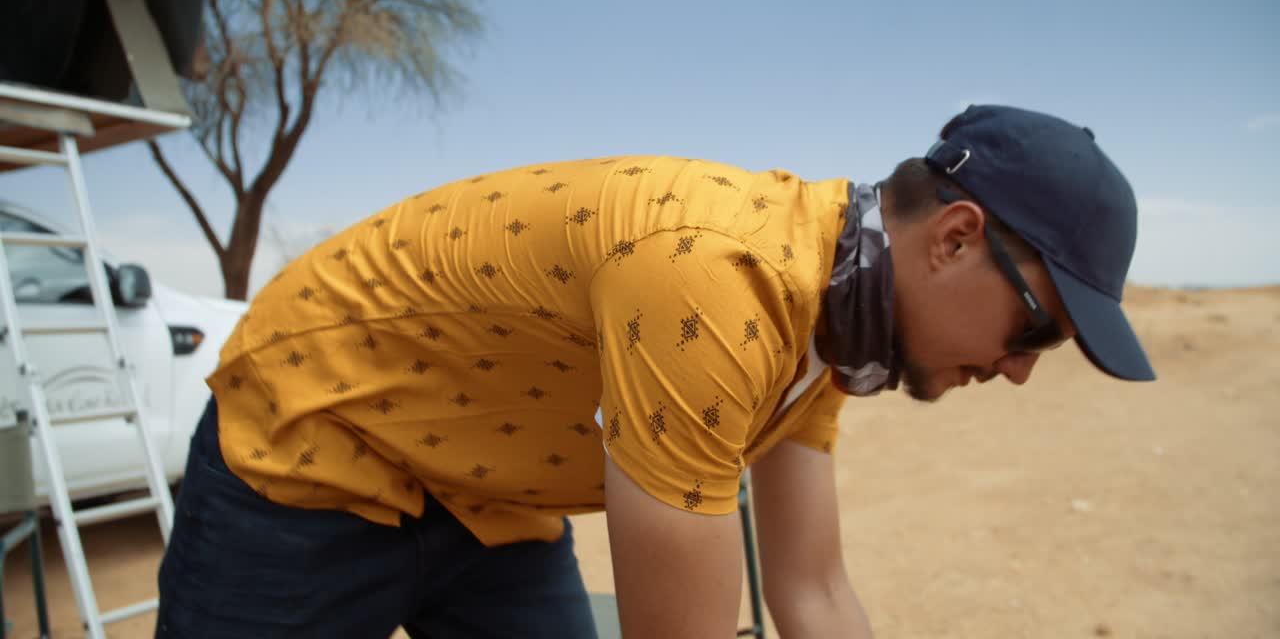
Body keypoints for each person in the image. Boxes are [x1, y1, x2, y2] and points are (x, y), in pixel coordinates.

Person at [155, 105, 1155, 638]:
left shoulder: (829, 332)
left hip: (482, 495)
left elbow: (809, 593)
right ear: (952, 237)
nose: (1021, 372)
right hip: (317, 437)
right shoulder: (720, 285)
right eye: (1040, 331)